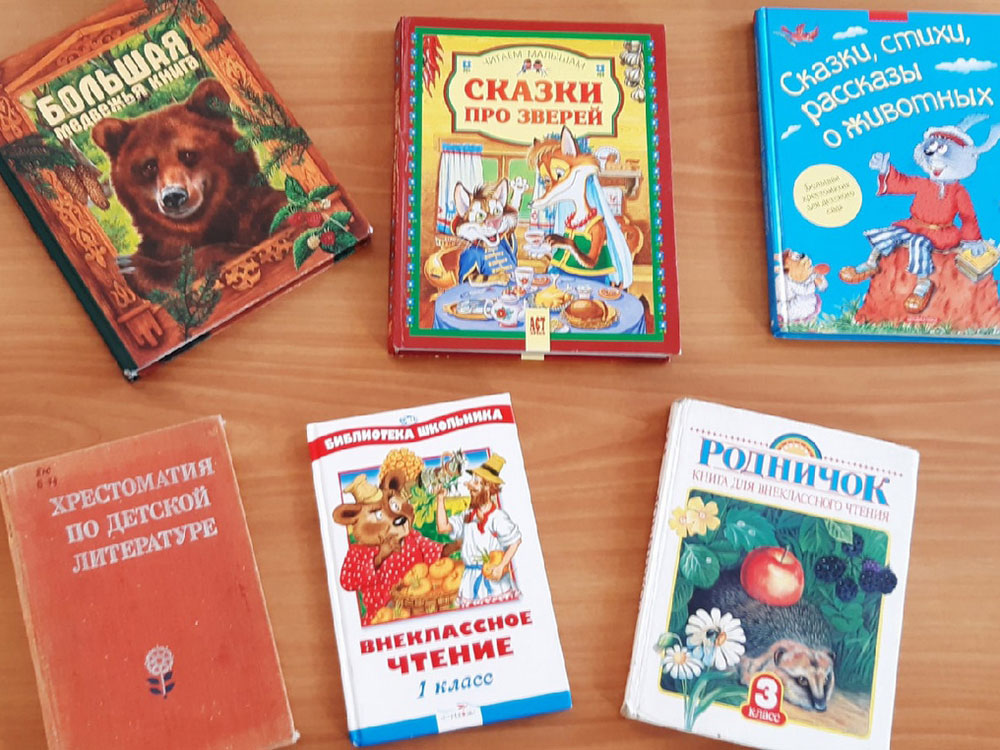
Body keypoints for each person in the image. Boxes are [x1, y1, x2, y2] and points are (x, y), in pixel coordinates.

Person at [435, 454, 521, 606]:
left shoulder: (497, 517)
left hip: (494, 581)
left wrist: (501, 566)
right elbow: (443, 527)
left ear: (488, 487)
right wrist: (440, 499)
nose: (469, 485)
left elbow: (515, 541)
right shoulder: (467, 516)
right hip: (470, 581)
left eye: (476, 482)